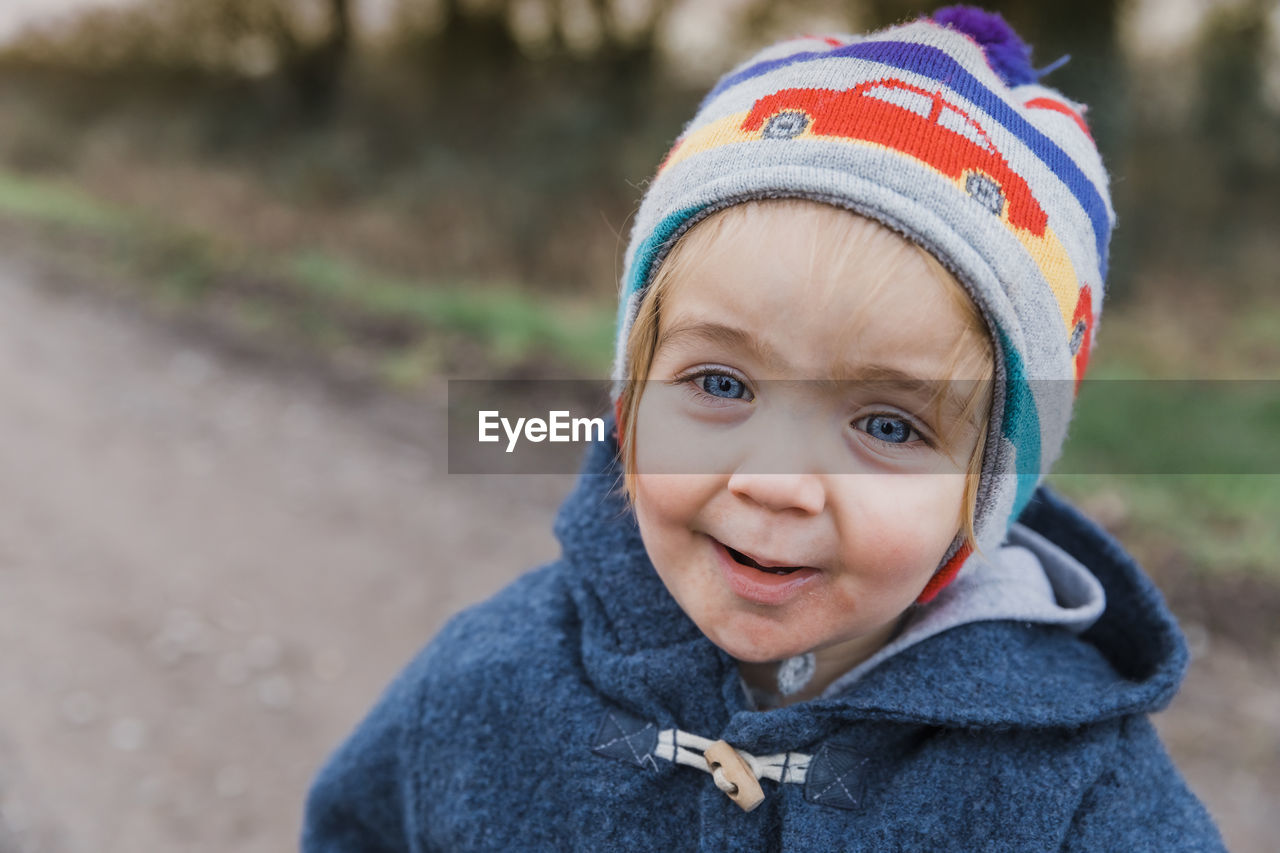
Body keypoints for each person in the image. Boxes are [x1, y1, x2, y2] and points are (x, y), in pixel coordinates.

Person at [301, 6, 1227, 850]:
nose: (777, 481)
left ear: (985, 493)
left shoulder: (1077, 797)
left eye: (888, 425)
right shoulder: (487, 686)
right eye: (718, 381)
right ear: (631, 405)